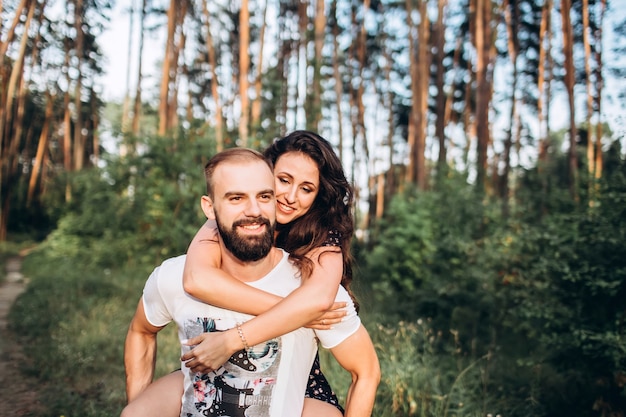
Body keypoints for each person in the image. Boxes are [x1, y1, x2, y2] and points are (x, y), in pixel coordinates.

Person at [123, 147, 379, 417]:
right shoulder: (180, 269)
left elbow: (365, 369)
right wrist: (297, 314)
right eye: (236, 197)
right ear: (210, 207)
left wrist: (303, 312)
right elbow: (194, 280)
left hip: (297, 387)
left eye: (305, 188)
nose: (288, 197)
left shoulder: (316, 268)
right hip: (209, 386)